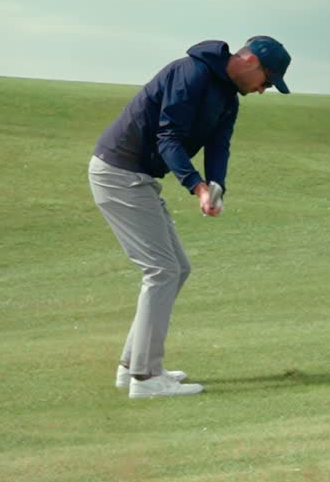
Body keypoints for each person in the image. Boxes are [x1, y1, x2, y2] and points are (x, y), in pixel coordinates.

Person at [88, 36, 291, 397]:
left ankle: (131, 366)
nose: (263, 90)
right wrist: (194, 186)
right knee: (162, 270)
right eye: (267, 81)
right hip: (118, 172)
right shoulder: (191, 74)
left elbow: (219, 145)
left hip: (138, 178)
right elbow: (169, 138)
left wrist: (216, 187)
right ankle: (146, 379)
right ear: (251, 62)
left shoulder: (228, 97)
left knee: (177, 268)